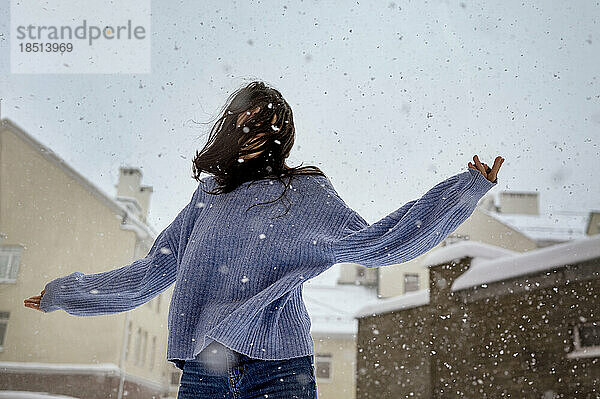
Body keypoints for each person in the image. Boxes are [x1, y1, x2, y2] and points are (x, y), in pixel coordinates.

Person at [24, 81, 504, 398]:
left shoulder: (304, 193)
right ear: (233, 129)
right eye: (248, 121)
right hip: (203, 373)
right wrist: (66, 294)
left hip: (277, 370)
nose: (259, 131)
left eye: (270, 123)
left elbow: (378, 245)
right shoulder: (208, 197)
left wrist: (464, 190)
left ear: (284, 134)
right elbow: (151, 272)